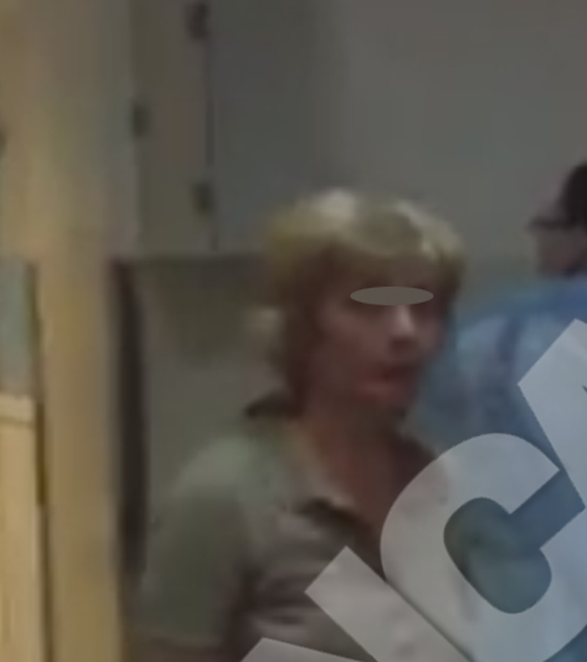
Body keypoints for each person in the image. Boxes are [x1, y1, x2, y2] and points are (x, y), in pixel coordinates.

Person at [134, 189, 467, 662]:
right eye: (368, 306)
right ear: (301, 326)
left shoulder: (440, 485)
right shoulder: (228, 497)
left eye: (425, 308)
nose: (404, 332)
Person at [413, 155, 587, 662]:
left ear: (582, 238)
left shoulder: (492, 338)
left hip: (518, 624)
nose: (536, 238)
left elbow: (429, 464)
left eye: (546, 224)